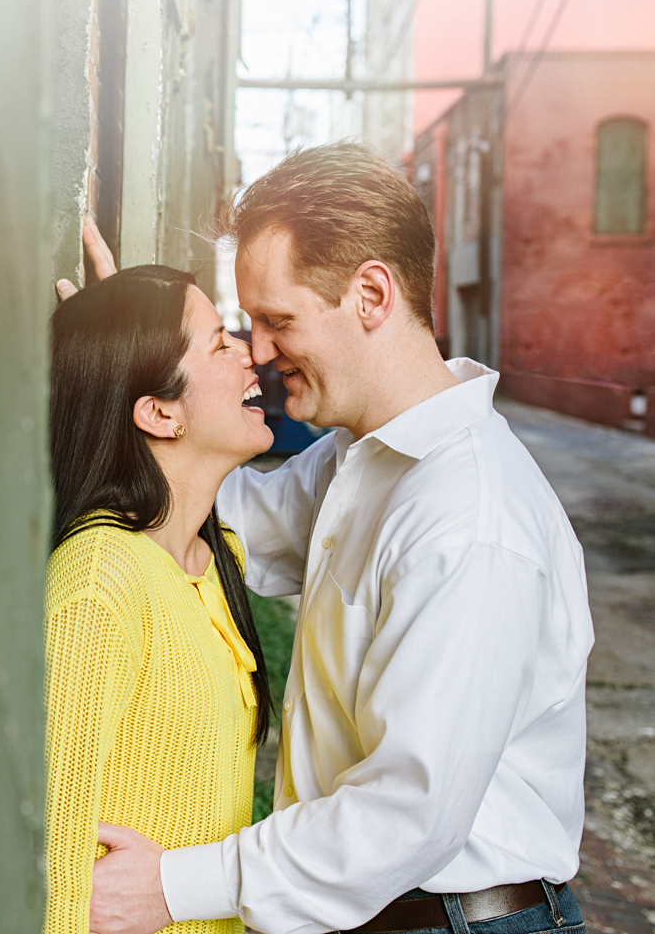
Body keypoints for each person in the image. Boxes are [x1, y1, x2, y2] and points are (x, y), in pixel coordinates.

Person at [63, 142, 592, 934]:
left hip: (462, 921)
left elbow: (407, 814)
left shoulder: (467, 519)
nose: (262, 353)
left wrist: (173, 885)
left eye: (277, 321)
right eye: (243, 329)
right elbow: (207, 512)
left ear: (371, 294)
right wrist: (136, 370)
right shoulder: (364, 458)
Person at [44, 263, 281, 934]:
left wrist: (130, 337)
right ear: (157, 411)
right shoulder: (100, 580)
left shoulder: (216, 557)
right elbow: (53, 861)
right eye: (218, 343)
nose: (249, 352)